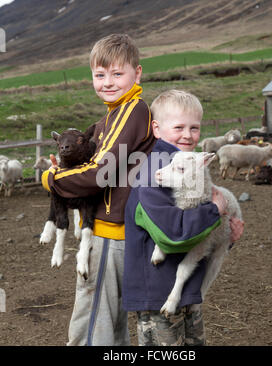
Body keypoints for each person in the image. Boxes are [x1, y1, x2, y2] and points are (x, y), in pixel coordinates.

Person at [41, 34, 156, 346]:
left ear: (138, 73)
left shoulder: (133, 110)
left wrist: (52, 179)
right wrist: (62, 168)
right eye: (100, 74)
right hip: (110, 232)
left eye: (117, 74)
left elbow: (99, 175)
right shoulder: (110, 117)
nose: (108, 82)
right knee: (110, 325)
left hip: (109, 235)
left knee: (92, 323)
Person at [122, 89, 244, 346]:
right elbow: (172, 235)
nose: (188, 135)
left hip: (186, 287)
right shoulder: (153, 174)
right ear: (156, 128)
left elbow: (203, 229)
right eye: (178, 127)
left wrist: (226, 236)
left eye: (194, 127)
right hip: (157, 291)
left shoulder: (190, 165)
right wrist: (215, 211)